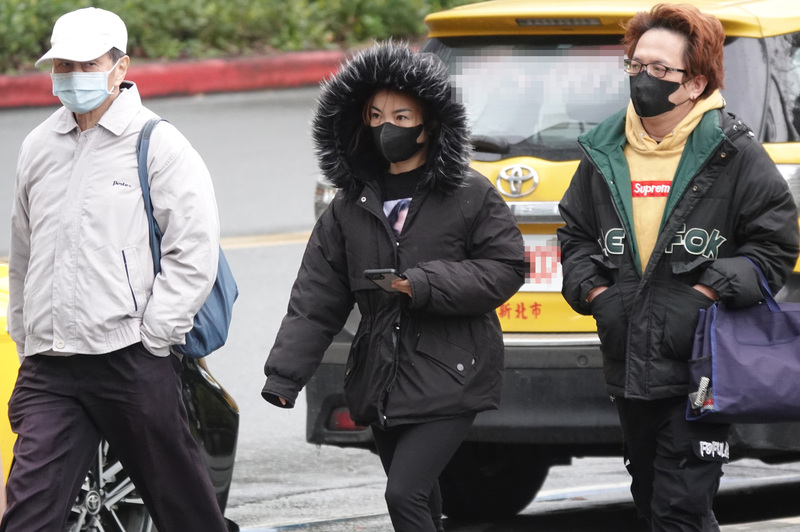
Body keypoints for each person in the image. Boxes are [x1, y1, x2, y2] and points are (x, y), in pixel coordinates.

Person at [261, 42, 524, 532]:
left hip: (454, 372)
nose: (387, 126)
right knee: (422, 501)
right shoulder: (350, 205)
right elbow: (316, 297)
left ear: (429, 125)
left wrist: (420, 283)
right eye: (376, 114)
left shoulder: (469, 193)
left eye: (402, 116)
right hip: (382, 374)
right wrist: (284, 377)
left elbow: (505, 267)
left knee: (403, 492)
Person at [558, 4, 800, 531]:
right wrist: (597, 296)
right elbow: (574, 234)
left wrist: (707, 295)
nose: (643, 78)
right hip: (627, 359)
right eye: (636, 65)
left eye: (660, 70)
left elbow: (774, 245)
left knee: (680, 509)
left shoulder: (731, 152)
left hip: (700, 366)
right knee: (648, 499)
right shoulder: (604, 152)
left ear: (694, 84)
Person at [2, 7, 229, 531]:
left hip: (129, 359)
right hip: (51, 366)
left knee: (182, 507)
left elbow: (193, 249)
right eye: (63, 65)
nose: (72, 76)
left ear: (120, 67)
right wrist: (25, 334)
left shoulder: (158, 144)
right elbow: (25, 250)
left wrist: (154, 336)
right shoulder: (38, 146)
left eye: (86, 64)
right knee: (28, 513)